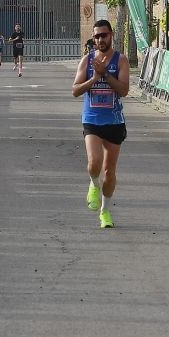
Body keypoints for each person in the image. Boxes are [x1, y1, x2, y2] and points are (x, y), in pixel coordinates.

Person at [71, 19, 129, 229]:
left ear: (111, 35)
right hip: (92, 119)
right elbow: (75, 90)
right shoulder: (87, 61)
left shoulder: (120, 60)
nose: (100, 39)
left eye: (103, 35)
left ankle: (105, 211)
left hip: (113, 122)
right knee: (94, 163)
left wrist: (105, 74)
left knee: (109, 172)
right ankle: (93, 185)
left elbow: (123, 90)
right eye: (96, 36)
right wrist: (94, 78)